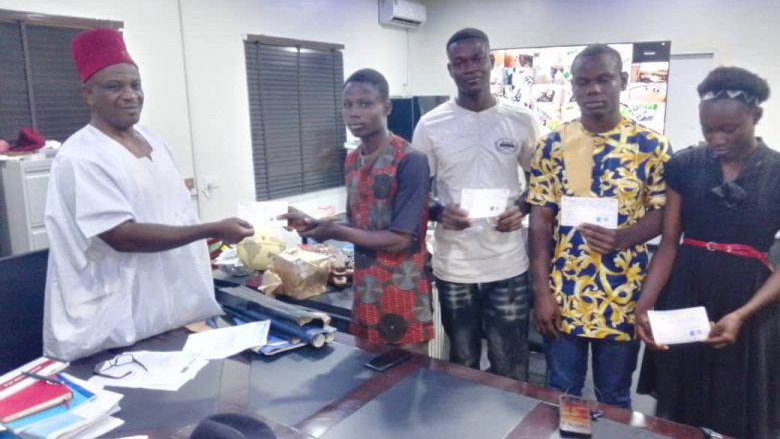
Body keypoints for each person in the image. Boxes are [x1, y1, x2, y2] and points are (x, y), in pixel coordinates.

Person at [43, 28, 254, 361]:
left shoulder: (154, 142)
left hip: (172, 313)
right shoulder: (81, 157)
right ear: (88, 94)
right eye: (114, 86)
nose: (130, 95)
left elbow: (172, 214)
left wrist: (210, 240)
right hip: (111, 324)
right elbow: (121, 236)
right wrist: (211, 229)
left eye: (135, 85)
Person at [636, 67, 780, 438]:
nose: (716, 138)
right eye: (707, 129)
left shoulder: (777, 171)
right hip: (686, 291)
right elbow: (670, 243)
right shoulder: (684, 165)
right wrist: (645, 304)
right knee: (679, 402)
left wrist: (742, 315)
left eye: (728, 129)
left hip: (750, 301)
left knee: (738, 405)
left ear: (756, 116)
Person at [526, 44, 670, 409]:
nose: (593, 90)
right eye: (583, 81)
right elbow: (540, 225)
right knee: (561, 393)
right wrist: (541, 292)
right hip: (564, 292)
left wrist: (623, 238)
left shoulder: (651, 146)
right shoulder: (552, 145)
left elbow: (665, 214)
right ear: (573, 86)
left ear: (622, 81)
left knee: (615, 397)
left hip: (624, 293)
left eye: (604, 79)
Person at [411, 28, 539, 380]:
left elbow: (542, 184)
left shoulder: (521, 120)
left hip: (507, 263)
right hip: (455, 266)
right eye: (460, 62)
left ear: (491, 61)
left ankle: (511, 418)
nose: (469, 68)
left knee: (510, 362)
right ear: (450, 69)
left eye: (476, 59)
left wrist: (522, 208)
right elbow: (416, 191)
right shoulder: (430, 125)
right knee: (462, 362)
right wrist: (439, 211)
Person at [284, 68, 433, 352]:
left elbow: (402, 239)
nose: (354, 113)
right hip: (365, 292)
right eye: (347, 105)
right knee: (364, 374)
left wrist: (335, 231)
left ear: (386, 108)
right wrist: (314, 224)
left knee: (406, 377)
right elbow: (359, 224)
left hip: (403, 294)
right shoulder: (352, 160)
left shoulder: (410, 160)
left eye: (365, 104)